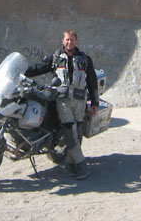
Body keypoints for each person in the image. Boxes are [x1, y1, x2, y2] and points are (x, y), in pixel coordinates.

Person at [25, 30, 99, 180]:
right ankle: (81, 165)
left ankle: (70, 164)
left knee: (77, 134)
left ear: (76, 41)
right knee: (70, 131)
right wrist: (21, 72)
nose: (69, 42)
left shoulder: (85, 60)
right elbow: (38, 68)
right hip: (62, 100)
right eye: (66, 40)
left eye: (71, 40)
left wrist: (95, 103)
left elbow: (92, 81)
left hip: (79, 101)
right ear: (62, 41)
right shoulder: (56, 58)